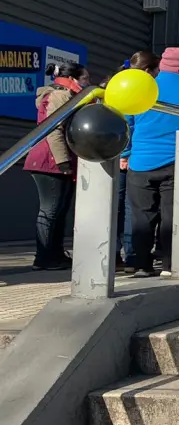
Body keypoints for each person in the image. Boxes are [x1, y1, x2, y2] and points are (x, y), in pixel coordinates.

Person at [124, 48, 179, 277]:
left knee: (142, 217)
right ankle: (168, 264)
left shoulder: (144, 88)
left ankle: (141, 264)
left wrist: (125, 154)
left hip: (140, 161)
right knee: (171, 217)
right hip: (178, 162)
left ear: (162, 64)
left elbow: (127, 123)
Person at [24, 62, 90, 271]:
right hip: (49, 161)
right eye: (85, 79)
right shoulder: (60, 96)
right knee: (50, 211)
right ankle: (43, 257)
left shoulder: (68, 96)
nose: (88, 83)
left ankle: (56, 254)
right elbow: (54, 131)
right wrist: (62, 162)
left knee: (59, 210)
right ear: (72, 79)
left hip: (57, 160)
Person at [117, 51, 161, 274]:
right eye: (157, 70)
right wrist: (125, 154)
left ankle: (132, 258)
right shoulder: (144, 90)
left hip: (129, 156)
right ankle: (134, 256)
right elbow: (128, 124)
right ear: (148, 71)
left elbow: (125, 123)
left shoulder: (122, 84)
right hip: (136, 157)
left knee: (132, 211)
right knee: (134, 211)